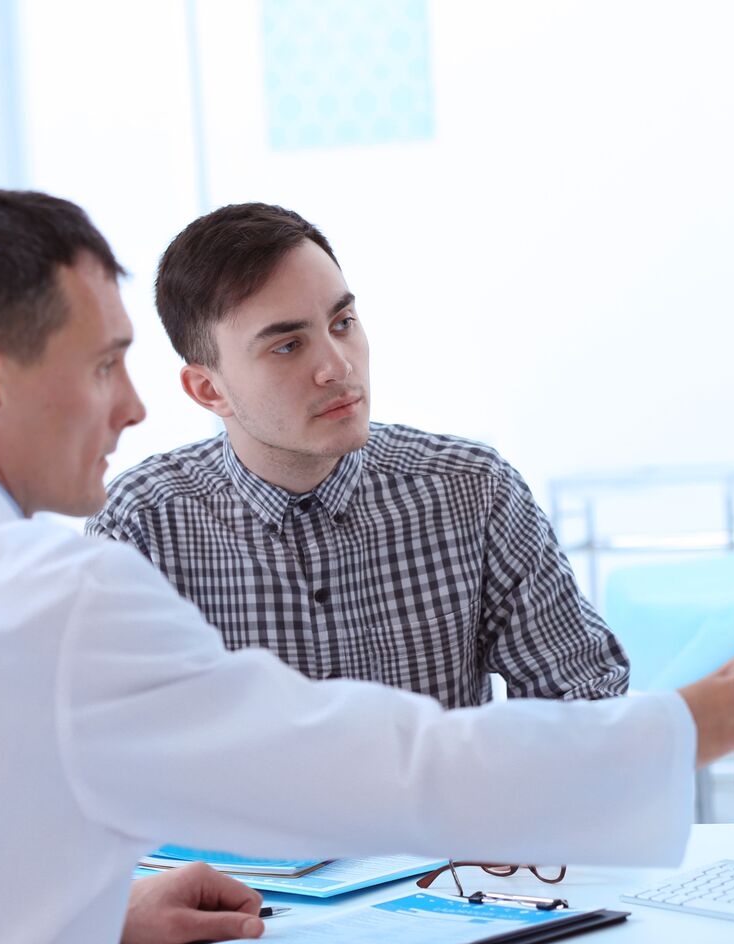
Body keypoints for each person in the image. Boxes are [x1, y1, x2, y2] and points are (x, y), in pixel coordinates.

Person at [0, 184, 734, 944]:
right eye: (100, 366)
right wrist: (729, 710)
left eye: (343, 321)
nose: (125, 410)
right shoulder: (59, 591)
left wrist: (107, 908)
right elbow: (389, 767)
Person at [88, 203, 623, 708]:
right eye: (287, 346)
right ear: (209, 390)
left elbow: (583, 702)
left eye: (342, 323)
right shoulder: (142, 530)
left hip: (441, 809)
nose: (338, 366)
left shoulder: (473, 491)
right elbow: (112, 751)